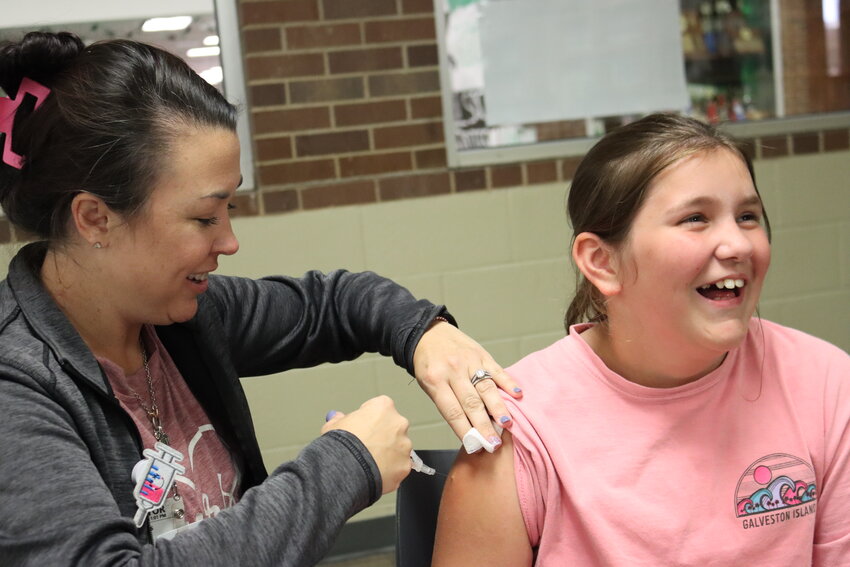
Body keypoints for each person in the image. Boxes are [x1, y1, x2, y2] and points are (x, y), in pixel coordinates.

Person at [0, 32, 520, 566]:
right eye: (204, 218)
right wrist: (346, 464)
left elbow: (334, 303)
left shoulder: (178, 318)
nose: (228, 242)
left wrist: (426, 335)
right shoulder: (17, 385)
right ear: (95, 218)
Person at [432, 113, 850, 566]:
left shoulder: (827, 386)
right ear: (603, 262)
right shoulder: (518, 429)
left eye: (747, 216)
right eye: (696, 218)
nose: (739, 245)